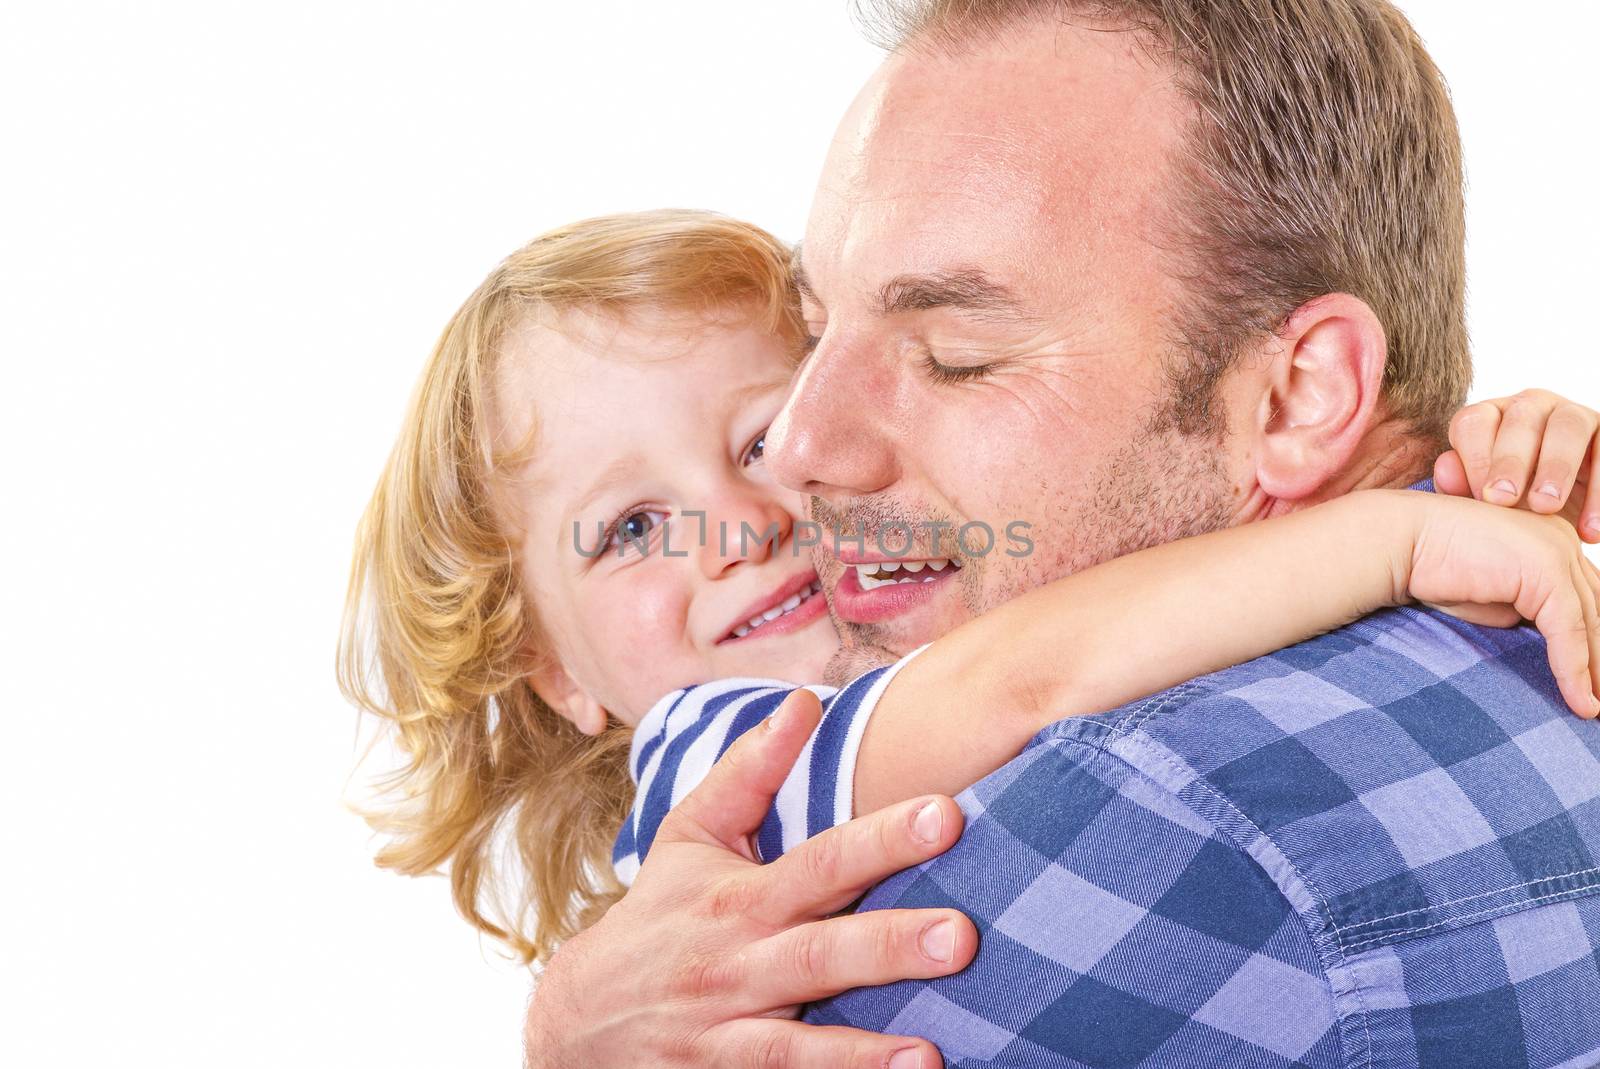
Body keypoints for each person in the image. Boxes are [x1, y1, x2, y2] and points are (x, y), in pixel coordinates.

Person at [522, 2, 1600, 1067]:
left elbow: (1024, 681)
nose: (797, 453)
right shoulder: (1525, 614)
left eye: (955, 353)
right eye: (813, 334)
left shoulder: (1120, 821)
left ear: (1298, 396)